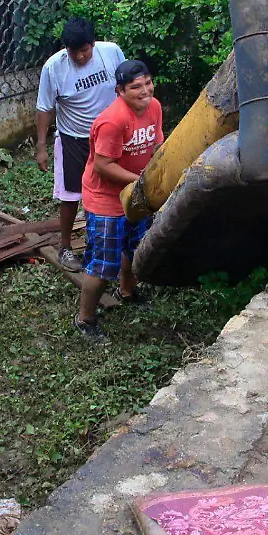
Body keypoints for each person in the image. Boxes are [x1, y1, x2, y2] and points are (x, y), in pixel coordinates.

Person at [75, 59, 163, 343]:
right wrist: (138, 182)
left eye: (148, 83)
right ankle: (85, 319)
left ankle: (128, 290)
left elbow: (157, 145)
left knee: (136, 248)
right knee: (102, 265)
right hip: (106, 200)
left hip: (136, 193)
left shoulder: (155, 108)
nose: (145, 90)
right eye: (136, 86)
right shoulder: (113, 120)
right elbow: (103, 165)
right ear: (120, 91)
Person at [35, 18, 127, 272]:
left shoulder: (111, 53)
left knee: (111, 191)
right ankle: (65, 247)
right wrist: (41, 146)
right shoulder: (54, 67)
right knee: (71, 196)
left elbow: (126, 88)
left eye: (84, 50)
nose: (79, 56)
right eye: (73, 51)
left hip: (110, 138)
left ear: (93, 44)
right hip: (74, 139)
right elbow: (44, 107)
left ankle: (102, 243)